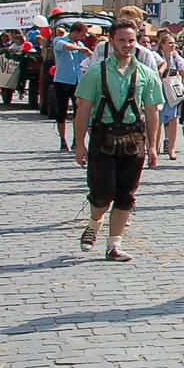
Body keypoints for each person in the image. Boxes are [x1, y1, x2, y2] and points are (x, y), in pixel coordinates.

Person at [72, 18, 162, 262]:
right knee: (102, 190)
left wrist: (153, 146)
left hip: (133, 137)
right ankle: (94, 223)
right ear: (111, 42)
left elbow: (153, 112)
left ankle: (114, 245)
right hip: (103, 134)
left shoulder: (147, 74)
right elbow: (82, 109)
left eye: (131, 40)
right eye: (121, 40)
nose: (127, 45)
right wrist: (79, 143)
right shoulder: (96, 71)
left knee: (126, 194)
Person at [50, 22, 92, 152]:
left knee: (78, 112)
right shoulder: (59, 40)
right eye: (82, 35)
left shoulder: (82, 45)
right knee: (61, 112)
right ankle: (62, 140)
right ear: (75, 32)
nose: (83, 38)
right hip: (62, 80)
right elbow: (65, 46)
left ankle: (76, 140)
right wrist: (81, 49)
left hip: (77, 82)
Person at [155, 30, 184, 160]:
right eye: (170, 43)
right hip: (160, 88)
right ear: (162, 44)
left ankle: (171, 149)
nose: (173, 46)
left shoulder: (176, 57)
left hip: (172, 90)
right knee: (158, 120)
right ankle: (155, 147)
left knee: (173, 119)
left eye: (174, 43)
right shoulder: (156, 55)